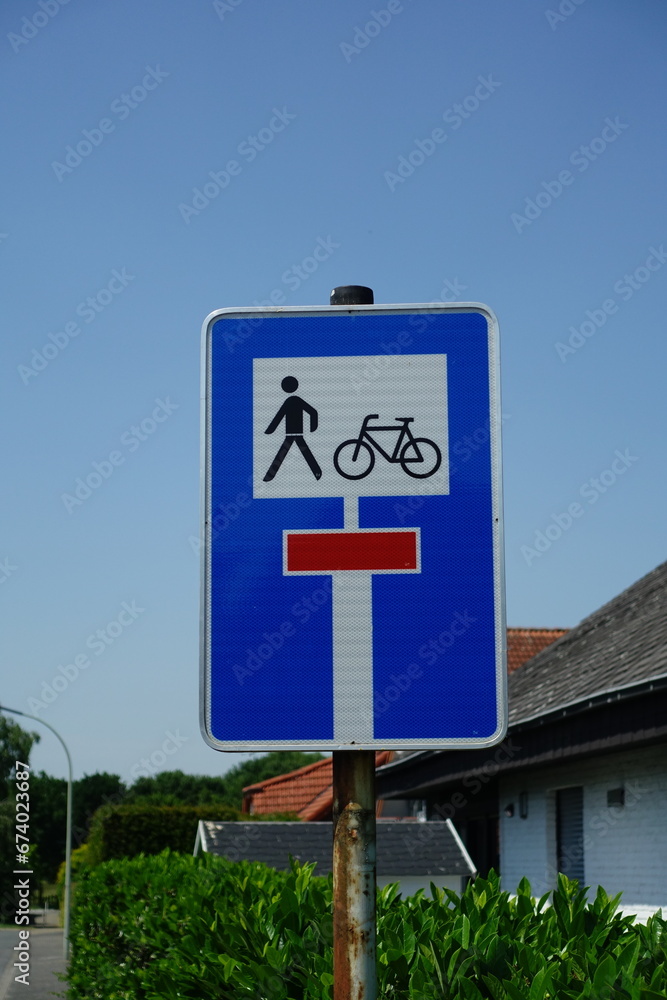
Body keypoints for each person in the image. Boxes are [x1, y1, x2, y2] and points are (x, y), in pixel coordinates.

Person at [263, 376, 322, 482]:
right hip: (295, 434)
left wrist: (270, 430)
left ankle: (269, 476)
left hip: (293, 434)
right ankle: (317, 473)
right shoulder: (295, 400)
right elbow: (313, 412)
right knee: (299, 452)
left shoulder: (291, 400)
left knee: (284, 453)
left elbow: (279, 416)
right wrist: (312, 427)